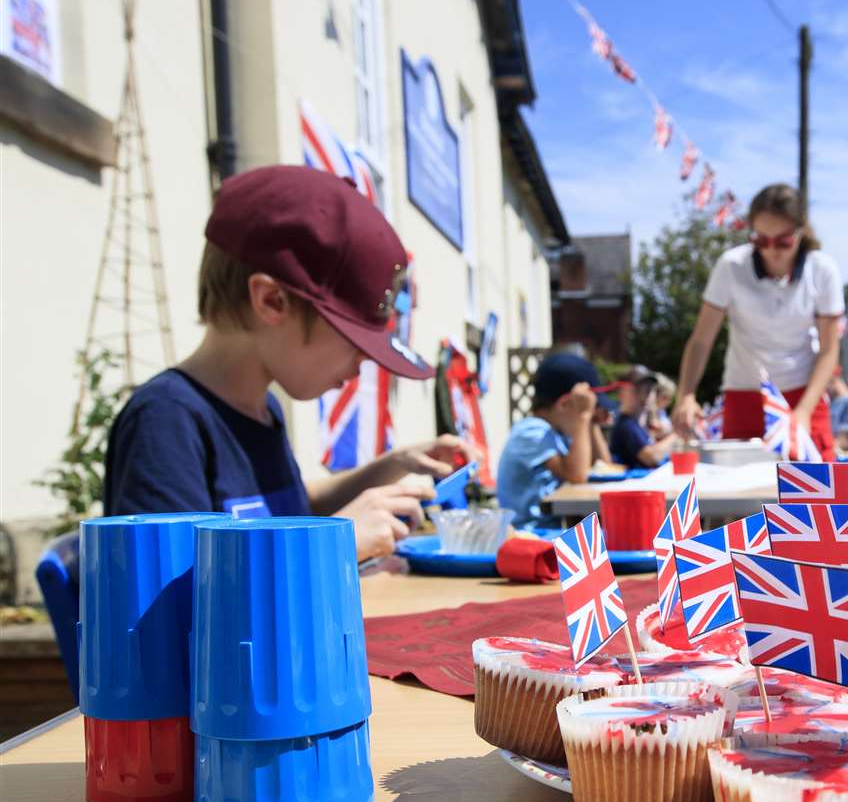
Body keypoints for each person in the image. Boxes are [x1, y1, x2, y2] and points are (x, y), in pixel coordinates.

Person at [103, 165, 472, 561]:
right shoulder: (167, 421)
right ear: (271, 301)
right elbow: (172, 598)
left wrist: (391, 466)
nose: (365, 362)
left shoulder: (264, 410)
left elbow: (291, 508)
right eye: (353, 339)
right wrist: (331, 544)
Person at [671, 183, 845, 461]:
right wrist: (686, 395)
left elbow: (828, 351)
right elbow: (701, 341)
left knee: (817, 492)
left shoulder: (822, 270)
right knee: (739, 489)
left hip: (803, 394)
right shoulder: (731, 266)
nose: (771, 250)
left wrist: (802, 412)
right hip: (744, 393)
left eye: (783, 241)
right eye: (761, 240)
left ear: (800, 232)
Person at [496, 351, 612, 527]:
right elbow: (577, 475)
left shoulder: (554, 433)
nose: (591, 412)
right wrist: (583, 416)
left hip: (551, 529)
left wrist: (592, 423)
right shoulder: (531, 432)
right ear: (564, 404)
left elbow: (604, 465)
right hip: (530, 533)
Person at [608, 365, 678, 469]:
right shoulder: (627, 425)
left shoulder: (638, 424)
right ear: (623, 393)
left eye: (650, 389)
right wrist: (677, 435)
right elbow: (651, 457)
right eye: (638, 390)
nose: (647, 395)